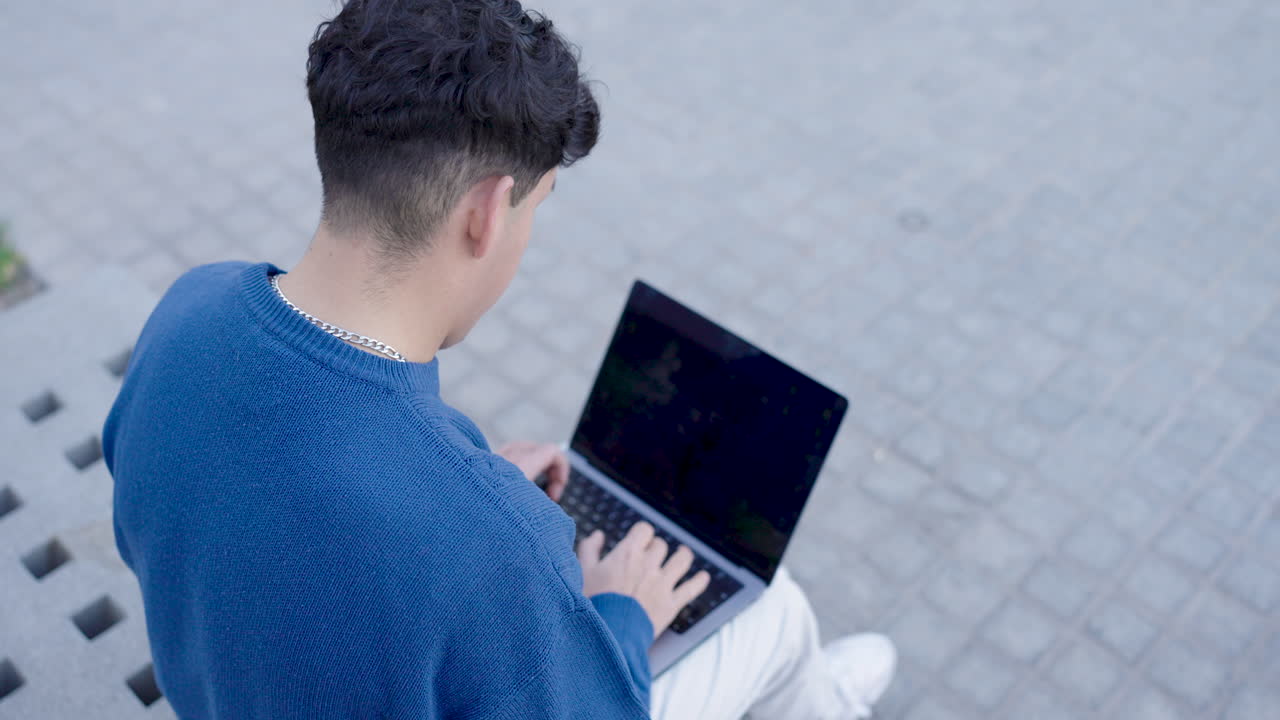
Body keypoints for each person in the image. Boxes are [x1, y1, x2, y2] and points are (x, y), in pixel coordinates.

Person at [102, 0, 896, 717]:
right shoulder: (494, 550)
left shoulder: (189, 311)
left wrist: (466, 494)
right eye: (535, 209)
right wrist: (623, 610)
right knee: (775, 611)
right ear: (486, 212)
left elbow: (246, 511)